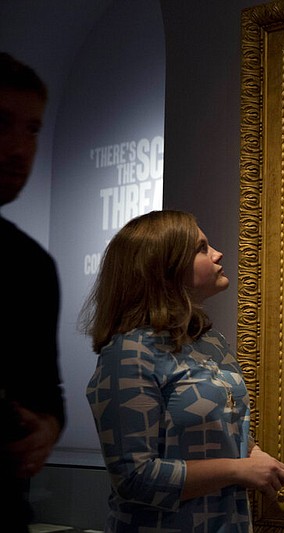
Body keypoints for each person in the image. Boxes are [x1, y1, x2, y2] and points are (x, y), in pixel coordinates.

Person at [82, 210, 284, 531]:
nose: (218, 253)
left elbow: (218, 424)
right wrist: (238, 470)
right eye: (202, 248)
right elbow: (134, 477)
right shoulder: (129, 354)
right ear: (165, 268)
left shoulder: (210, 341)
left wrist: (254, 451)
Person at [0, 52, 66, 530]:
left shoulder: (30, 265)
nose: (18, 148)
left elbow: (47, 392)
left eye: (33, 130)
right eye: (1, 123)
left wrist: (46, 429)